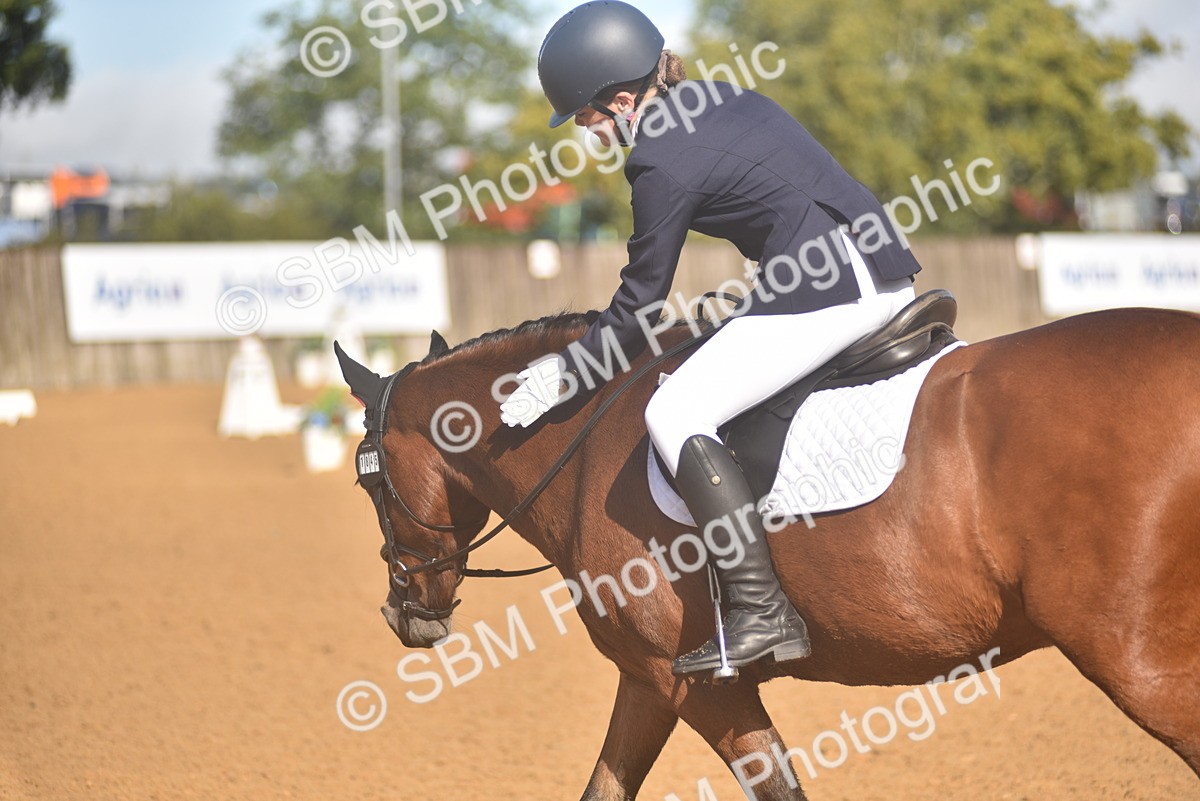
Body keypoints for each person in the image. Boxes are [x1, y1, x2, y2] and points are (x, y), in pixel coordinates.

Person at [500, 0, 920, 676]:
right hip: (871, 265)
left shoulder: (658, 160)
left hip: (833, 288)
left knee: (673, 410)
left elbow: (641, 301)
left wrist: (566, 372)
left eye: (587, 117)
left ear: (623, 100)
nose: (588, 132)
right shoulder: (722, 98)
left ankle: (760, 609)